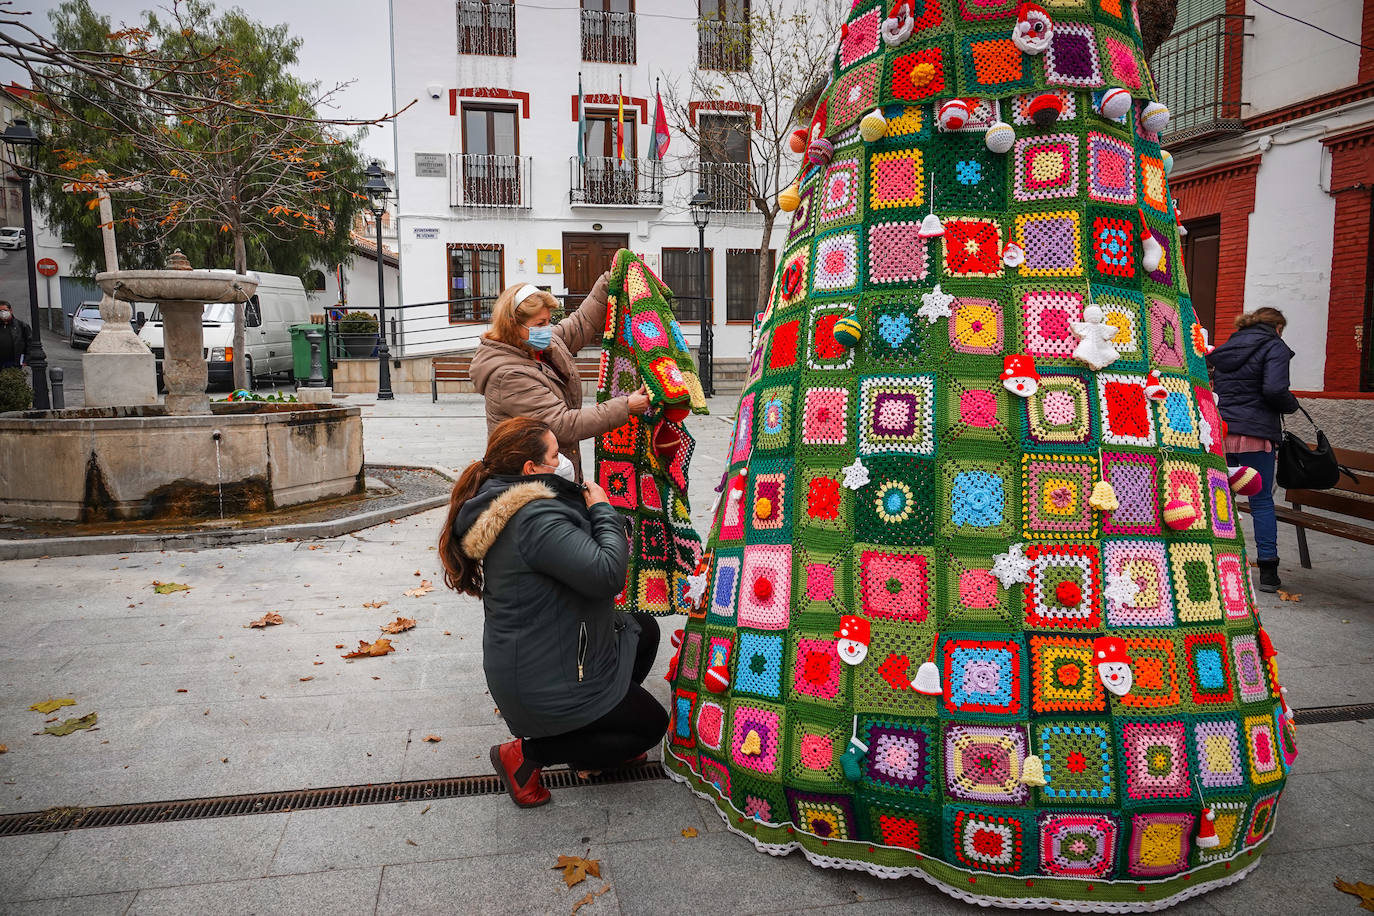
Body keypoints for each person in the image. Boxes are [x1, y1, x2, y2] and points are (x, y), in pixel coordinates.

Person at [438, 416, 668, 808]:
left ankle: (597, 742)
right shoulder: (534, 518)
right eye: (554, 454)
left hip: (547, 651)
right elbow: (607, 574)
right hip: (546, 675)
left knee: (641, 630)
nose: (563, 461)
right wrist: (602, 510)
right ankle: (527, 756)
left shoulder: (512, 499)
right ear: (530, 469)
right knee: (653, 725)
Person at [468, 273, 651, 482]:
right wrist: (625, 406)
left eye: (549, 321)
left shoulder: (538, 343)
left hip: (552, 471)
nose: (546, 329)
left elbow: (581, 323)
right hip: (528, 481)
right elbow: (563, 424)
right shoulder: (507, 375)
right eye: (539, 323)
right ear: (512, 324)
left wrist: (608, 281)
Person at [1207, 307, 1300, 592]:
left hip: (1222, 432)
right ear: (1278, 327)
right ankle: (1269, 571)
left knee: (1219, 498)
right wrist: (1291, 404)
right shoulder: (1275, 346)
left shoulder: (1228, 347)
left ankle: (1217, 562)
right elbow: (1274, 389)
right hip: (1255, 434)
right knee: (1260, 500)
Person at [0, 300, 31, 370]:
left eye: (5, 310)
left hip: (14, 362)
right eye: (0, 311)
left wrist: (26, 359)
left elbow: (30, 343)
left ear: (10, 311)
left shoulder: (21, 325)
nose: (3, 313)